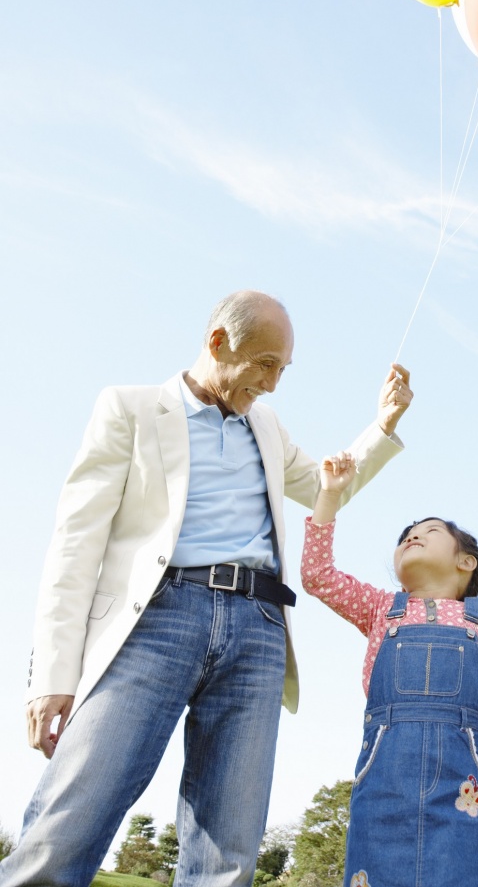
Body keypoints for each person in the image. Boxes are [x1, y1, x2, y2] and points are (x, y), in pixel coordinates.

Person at [1, 290, 413, 887]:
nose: (272, 383)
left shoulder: (266, 427)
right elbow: (74, 546)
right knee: (73, 813)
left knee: (228, 851)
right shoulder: (130, 409)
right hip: (158, 618)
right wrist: (51, 677)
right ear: (219, 342)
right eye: (264, 364)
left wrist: (382, 425)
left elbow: (332, 484)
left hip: (259, 628)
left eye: (282, 369)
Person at [301, 451, 478, 887]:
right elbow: (317, 575)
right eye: (407, 535)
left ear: (466, 562)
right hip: (383, 788)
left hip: (464, 791)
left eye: (429, 532)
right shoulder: (382, 609)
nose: (412, 537)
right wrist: (328, 495)